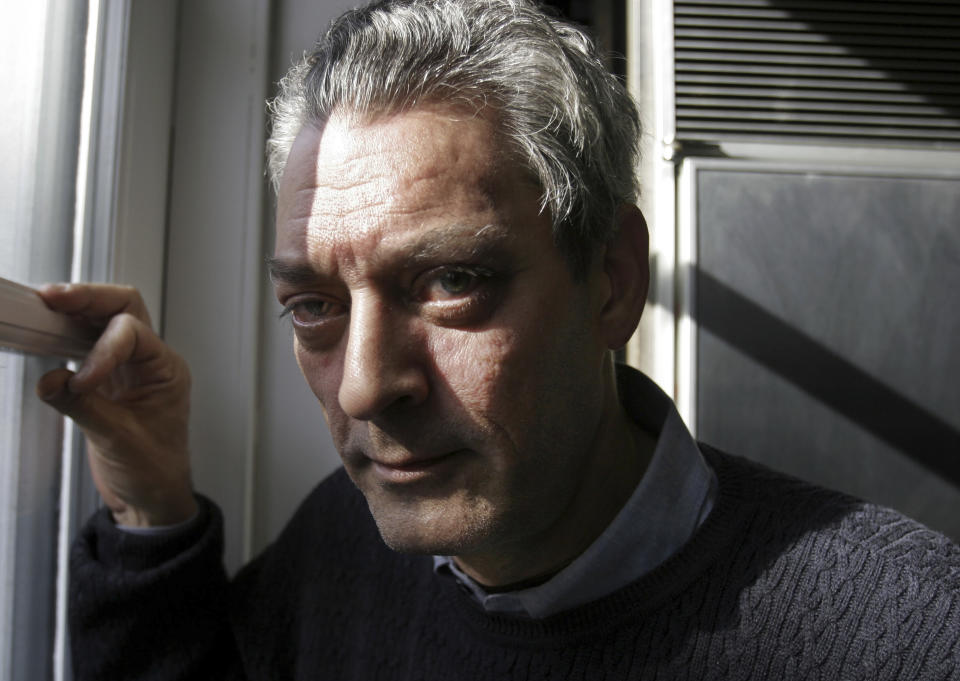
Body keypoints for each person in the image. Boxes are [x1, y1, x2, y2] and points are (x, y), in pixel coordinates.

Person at [37, 0, 960, 679]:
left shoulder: (905, 631)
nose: (363, 387)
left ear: (613, 281)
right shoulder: (342, 546)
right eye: (314, 304)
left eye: (450, 282)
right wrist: (151, 506)